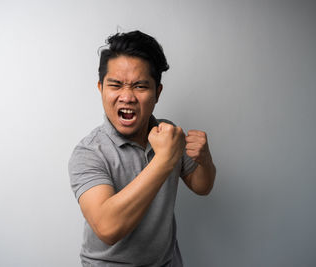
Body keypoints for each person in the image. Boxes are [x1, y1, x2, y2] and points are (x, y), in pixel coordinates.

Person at [68, 30, 216, 266]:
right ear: (101, 88)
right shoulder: (88, 152)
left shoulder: (168, 134)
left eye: (140, 86)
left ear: (157, 93)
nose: (126, 97)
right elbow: (108, 227)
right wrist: (164, 161)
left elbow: (202, 185)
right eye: (115, 85)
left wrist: (205, 160)